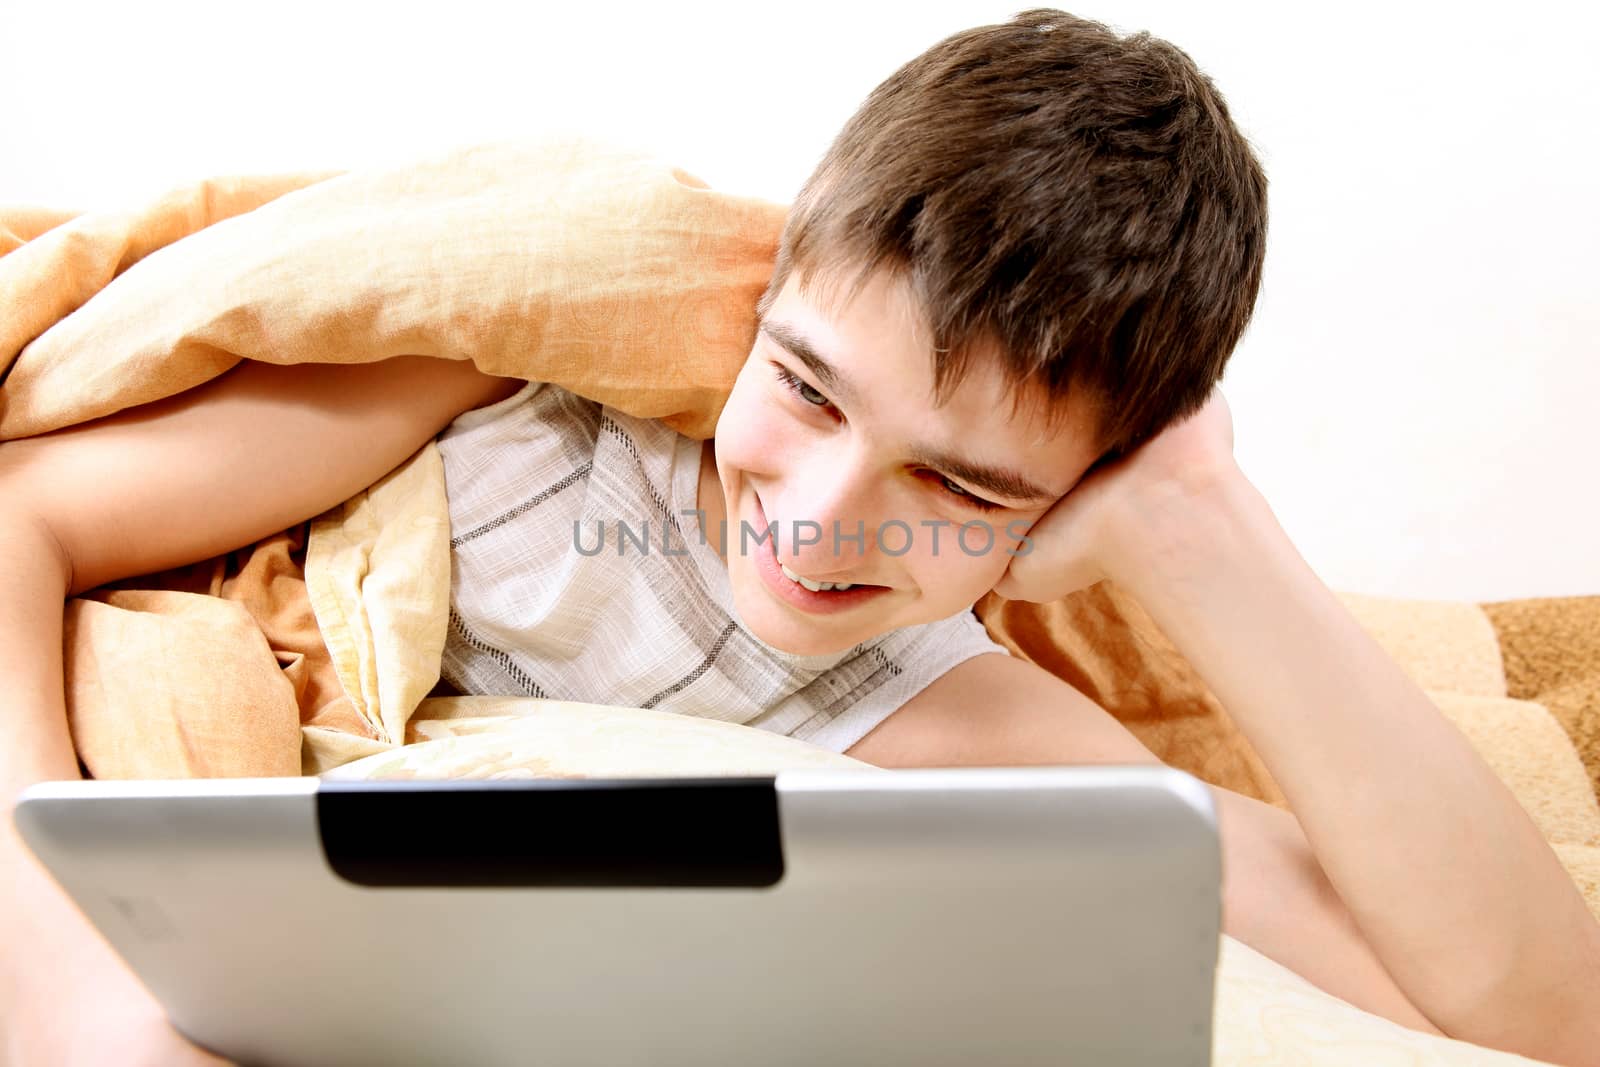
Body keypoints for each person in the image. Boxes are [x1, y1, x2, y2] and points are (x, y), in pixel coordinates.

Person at [3, 9, 1598, 1066]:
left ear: (1082, 498)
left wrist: (1202, 518)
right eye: (805, 388)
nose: (822, 521)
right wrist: (86, 999)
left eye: (962, 490)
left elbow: (1531, 1016)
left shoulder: (968, 726)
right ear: (762, 298)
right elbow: (32, 520)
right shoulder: (521, 392)